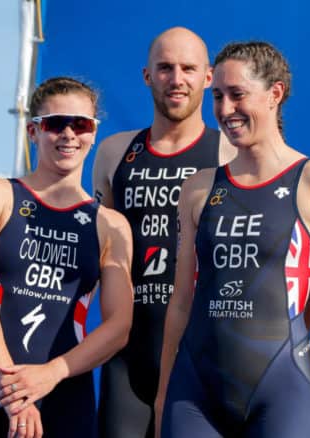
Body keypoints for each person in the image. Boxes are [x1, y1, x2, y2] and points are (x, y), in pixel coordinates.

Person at [154, 41, 310, 438]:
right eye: (218, 96)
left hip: (282, 391)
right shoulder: (197, 189)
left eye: (238, 95)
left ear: (275, 94)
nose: (225, 110)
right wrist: (162, 394)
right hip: (194, 397)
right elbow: (181, 302)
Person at [0, 77, 133, 438]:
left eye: (80, 124)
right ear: (33, 131)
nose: (69, 134)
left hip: (66, 392)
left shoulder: (110, 224)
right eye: (56, 124)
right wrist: (15, 393)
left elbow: (118, 328)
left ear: (94, 133)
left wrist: (51, 373)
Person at [93, 26, 235, 438]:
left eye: (188, 69)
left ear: (208, 77)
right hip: (128, 357)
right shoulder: (114, 152)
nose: (177, 79)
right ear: (146, 76)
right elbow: (102, 251)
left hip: (201, 356)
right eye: (165, 68)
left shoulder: (229, 152)